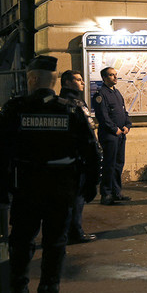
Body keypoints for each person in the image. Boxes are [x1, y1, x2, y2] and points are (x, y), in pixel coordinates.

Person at [1, 56, 102, 293]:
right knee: (56, 241)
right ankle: (49, 288)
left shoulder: (15, 109)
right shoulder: (71, 110)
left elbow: (2, 152)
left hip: (26, 187)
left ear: (33, 79)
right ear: (55, 81)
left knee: (22, 240)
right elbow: (91, 151)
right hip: (61, 188)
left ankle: (19, 287)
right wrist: (90, 186)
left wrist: (3, 189)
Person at [59, 69, 98, 244]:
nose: (82, 83)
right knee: (77, 198)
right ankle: (75, 231)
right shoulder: (74, 103)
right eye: (78, 80)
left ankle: (71, 231)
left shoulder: (64, 102)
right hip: (77, 158)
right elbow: (86, 134)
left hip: (68, 157)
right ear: (67, 82)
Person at [92, 67, 132, 205]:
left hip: (121, 134)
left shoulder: (117, 93)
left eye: (115, 75)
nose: (115, 77)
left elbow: (123, 112)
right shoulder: (100, 94)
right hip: (110, 135)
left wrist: (127, 125)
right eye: (111, 75)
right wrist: (115, 129)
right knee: (109, 164)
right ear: (104, 78)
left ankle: (116, 192)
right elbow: (102, 116)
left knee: (118, 164)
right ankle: (106, 194)